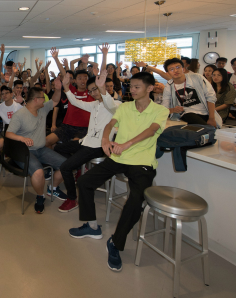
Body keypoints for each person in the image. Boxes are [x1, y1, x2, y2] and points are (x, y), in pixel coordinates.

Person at [68, 71, 169, 272]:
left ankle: (116, 242)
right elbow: (110, 124)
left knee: (136, 200)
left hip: (142, 162)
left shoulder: (160, 110)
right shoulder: (125, 107)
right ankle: (92, 226)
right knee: (85, 182)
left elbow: (151, 130)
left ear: (150, 88)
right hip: (118, 157)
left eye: (137, 87)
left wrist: (127, 144)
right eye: (131, 86)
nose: (132, 90)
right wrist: (106, 139)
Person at [58, 70, 119, 213]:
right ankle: (79, 167)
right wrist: (66, 86)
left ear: (103, 87)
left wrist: (102, 89)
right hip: (85, 142)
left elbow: (109, 104)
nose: (93, 93)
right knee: (58, 148)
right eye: (90, 90)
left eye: (95, 89)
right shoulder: (94, 104)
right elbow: (75, 102)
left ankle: (72, 199)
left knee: (65, 167)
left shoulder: (115, 105)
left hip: (98, 146)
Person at [5, 80, 67, 214]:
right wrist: (22, 139)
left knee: (66, 165)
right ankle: (40, 196)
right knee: (39, 172)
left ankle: (53, 188)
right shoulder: (20, 115)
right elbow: (8, 134)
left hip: (41, 149)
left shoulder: (42, 109)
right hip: (24, 151)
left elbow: (55, 100)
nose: (45, 99)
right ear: (35, 100)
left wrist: (58, 89)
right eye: (43, 97)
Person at [161, 58, 219, 127]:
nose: (175, 70)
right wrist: (173, 110)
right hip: (187, 114)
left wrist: (211, 118)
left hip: (206, 112)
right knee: (191, 117)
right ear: (168, 73)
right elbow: (165, 107)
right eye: (171, 69)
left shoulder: (197, 77)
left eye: (178, 67)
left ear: (183, 69)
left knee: (208, 129)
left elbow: (210, 96)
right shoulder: (169, 86)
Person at [0, 85, 23, 153]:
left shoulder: (18, 105)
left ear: (11, 94)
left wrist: (23, 102)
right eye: (2, 94)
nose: (4, 95)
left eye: (6, 93)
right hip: (6, 131)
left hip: (18, 130)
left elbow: (28, 114)